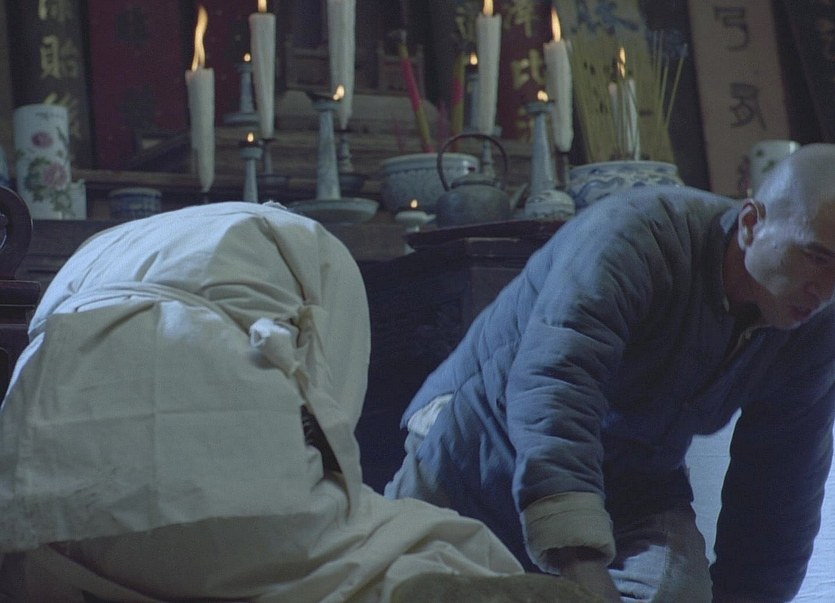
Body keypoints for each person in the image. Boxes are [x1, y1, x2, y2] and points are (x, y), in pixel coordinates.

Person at [0, 202, 596, 602]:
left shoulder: (100, 255)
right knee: (435, 546)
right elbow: (335, 392)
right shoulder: (299, 243)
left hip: (47, 505)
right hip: (223, 504)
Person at [386, 143, 835, 602]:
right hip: (478, 442)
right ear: (752, 224)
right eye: (817, 257)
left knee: (677, 592)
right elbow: (558, 386)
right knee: (395, 585)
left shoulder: (816, 324)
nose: (824, 289)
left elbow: (782, 487)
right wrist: (581, 562)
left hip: (634, 480)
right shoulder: (636, 235)